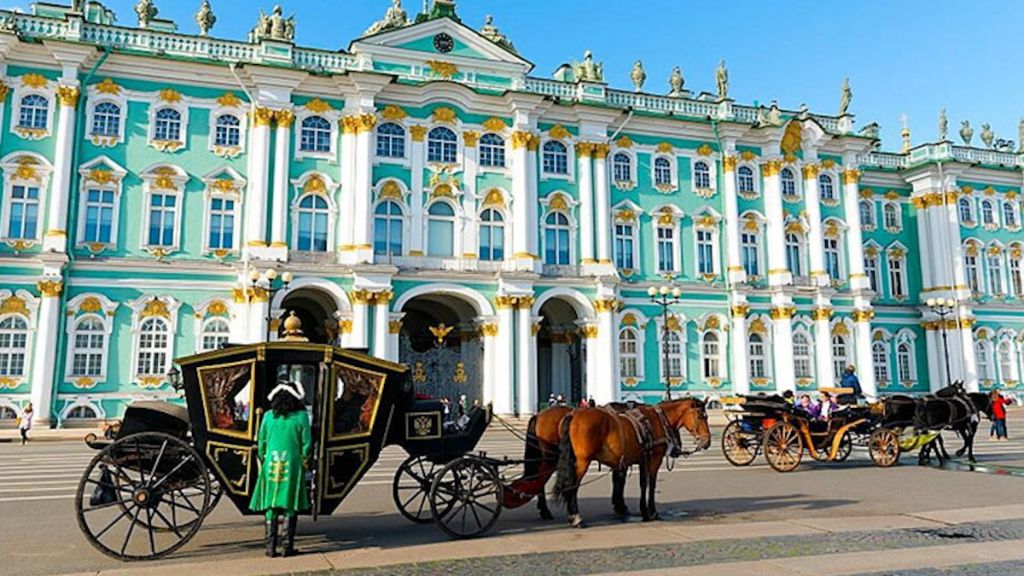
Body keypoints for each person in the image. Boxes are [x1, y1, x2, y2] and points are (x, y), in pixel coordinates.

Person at [250, 380, 311, 558]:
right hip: (292, 464)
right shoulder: (301, 416)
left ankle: (270, 547)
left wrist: (263, 457)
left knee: (271, 504)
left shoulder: (269, 416)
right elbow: (306, 443)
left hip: (271, 462)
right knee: (290, 503)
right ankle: (287, 546)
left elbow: (261, 441)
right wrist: (304, 460)